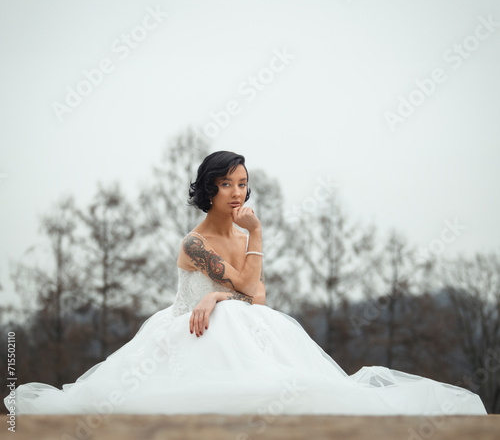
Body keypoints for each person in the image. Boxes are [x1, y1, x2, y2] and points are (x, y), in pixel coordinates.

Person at [4, 151, 487, 416]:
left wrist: (249, 243)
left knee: (244, 311)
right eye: (228, 184)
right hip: (188, 329)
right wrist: (221, 291)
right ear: (208, 188)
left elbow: (256, 294)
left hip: (230, 319)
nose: (238, 192)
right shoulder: (194, 244)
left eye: (243, 183)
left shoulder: (243, 232)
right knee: (231, 312)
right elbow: (244, 287)